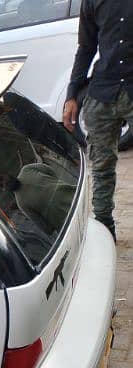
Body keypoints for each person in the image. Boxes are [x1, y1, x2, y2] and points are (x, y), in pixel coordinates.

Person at [64, 0, 133, 242]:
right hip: (103, 91)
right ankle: (105, 231)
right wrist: (72, 95)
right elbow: (86, 47)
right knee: (102, 167)